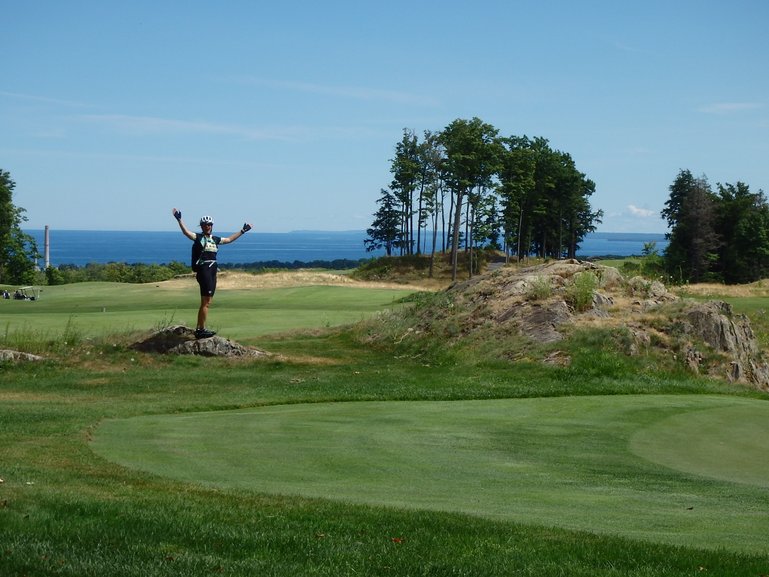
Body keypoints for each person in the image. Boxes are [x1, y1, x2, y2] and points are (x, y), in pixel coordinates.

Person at [172, 208, 252, 339]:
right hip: (204, 270)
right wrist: (179, 220)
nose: (207, 226)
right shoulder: (198, 237)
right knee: (206, 301)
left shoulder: (215, 239)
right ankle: (200, 329)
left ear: (212, 226)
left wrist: (242, 231)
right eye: (205, 225)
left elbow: (229, 240)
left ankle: (200, 328)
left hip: (212, 270)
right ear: (202, 226)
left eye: (209, 224)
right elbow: (186, 233)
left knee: (207, 301)